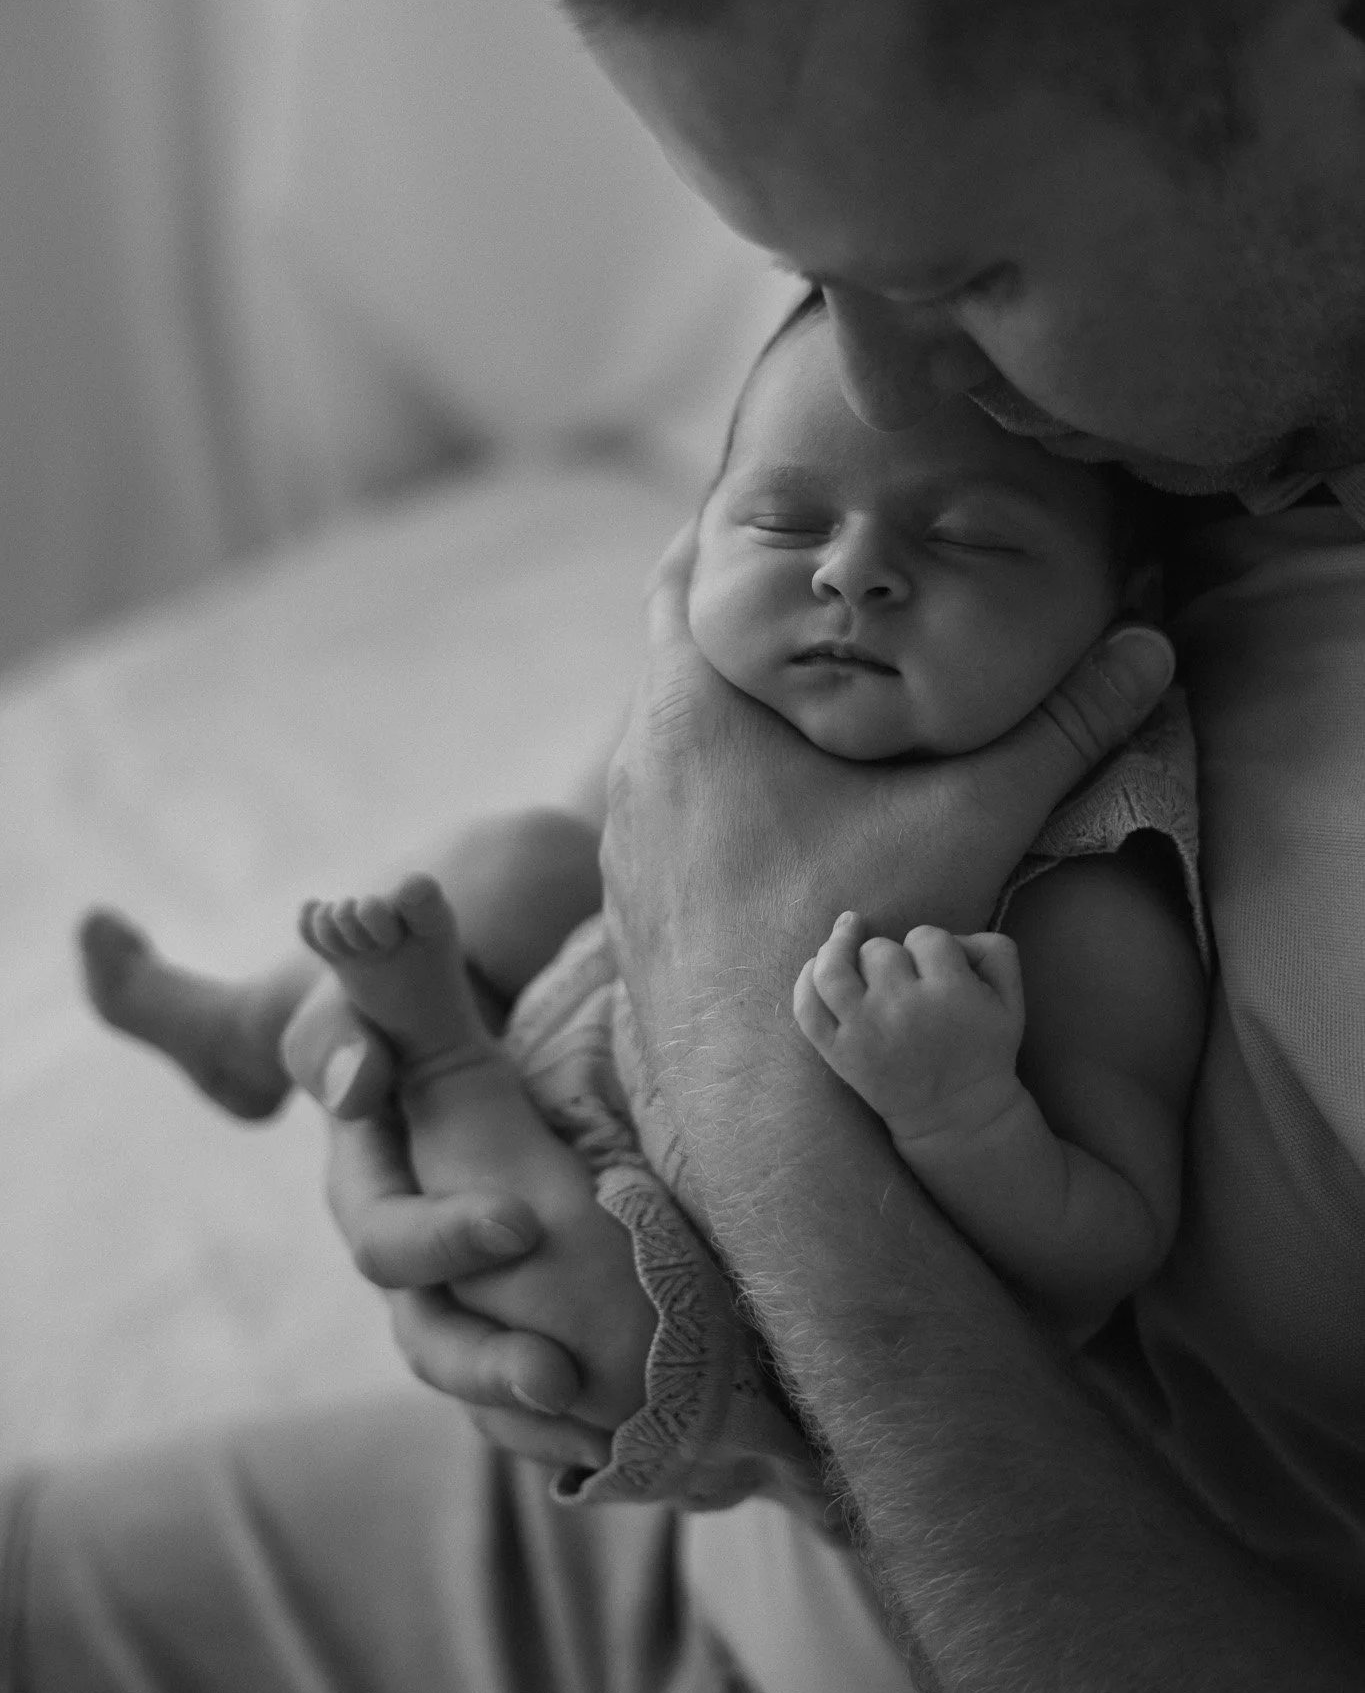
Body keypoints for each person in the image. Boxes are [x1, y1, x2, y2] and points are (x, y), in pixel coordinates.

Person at [6, 0, 1365, 1693]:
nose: (878, 397)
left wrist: (754, 1100)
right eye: (808, 279)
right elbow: (673, 824)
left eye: (968, 274)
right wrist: (489, 1054)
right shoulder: (1116, 408)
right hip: (671, 1564)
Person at [83, 293, 1204, 1397]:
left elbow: (1112, 1240)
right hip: (588, 1045)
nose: (849, 572)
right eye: (782, 522)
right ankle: (265, 1017)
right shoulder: (721, 701)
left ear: (1123, 607)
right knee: (519, 861)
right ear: (697, 535)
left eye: (970, 539)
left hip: (720, 1286)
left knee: (591, 1305)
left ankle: (440, 1057)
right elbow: (609, 850)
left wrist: (964, 1109)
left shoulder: (1083, 893)